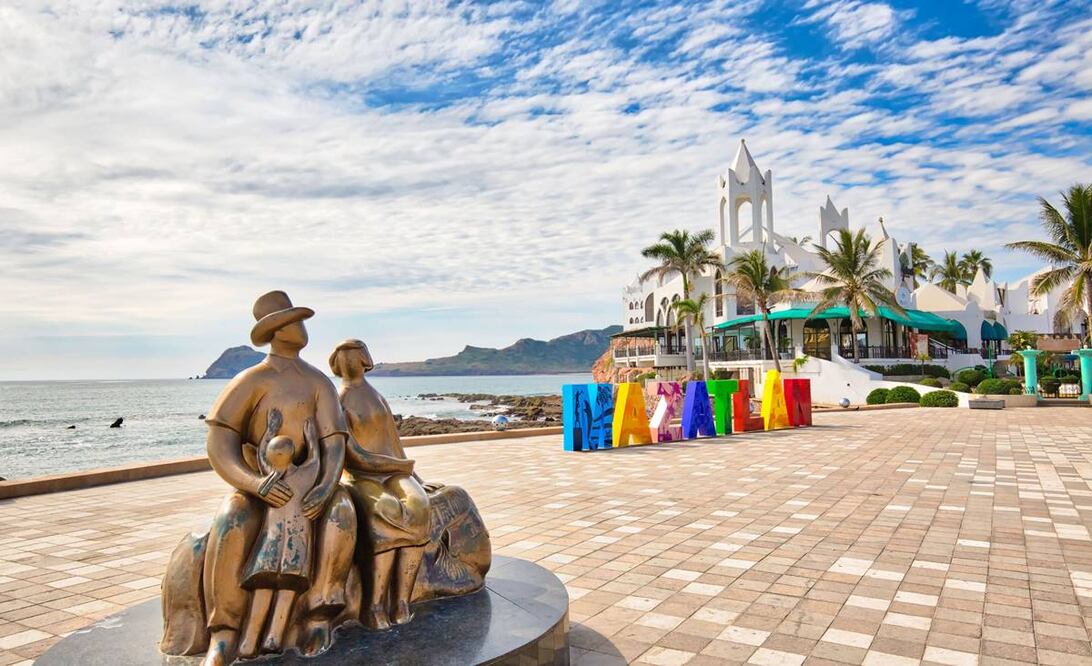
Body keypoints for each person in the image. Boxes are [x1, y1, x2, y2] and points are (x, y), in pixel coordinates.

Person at [200, 291, 357, 666]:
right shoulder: (250, 380)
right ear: (276, 330)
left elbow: (334, 443)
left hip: (308, 484)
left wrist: (325, 484)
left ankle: (319, 615)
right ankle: (224, 632)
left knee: (342, 512)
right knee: (232, 517)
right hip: (262, 484)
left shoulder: (318, 382)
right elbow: (220, 442)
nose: (302, 329)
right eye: (294, 321)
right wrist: (253, 484)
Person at [329, 339, 430, 630]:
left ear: (365, 359)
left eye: (355, 353)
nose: (351, 359)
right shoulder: (338, 399)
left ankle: (401, 600)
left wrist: (415, 478)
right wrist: (397, 466)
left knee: (419, 506)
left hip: (393, 472)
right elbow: (353, 455)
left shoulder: (375, 396)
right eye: (345, 355)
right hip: (362, 476)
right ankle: (373, 605)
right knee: (384, 509)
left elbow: (394, 444)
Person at [237, 425, 320, 657]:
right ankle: (274, 636)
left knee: (263, 586)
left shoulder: (267, 477)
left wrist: (270, 428)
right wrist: (311, 437)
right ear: (292, 454)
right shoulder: (305, 475)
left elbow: (263, 452)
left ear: (272, 457)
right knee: (287, 589)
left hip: (271, 546)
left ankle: (250, 639)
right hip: (296, 545)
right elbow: (315, 458)